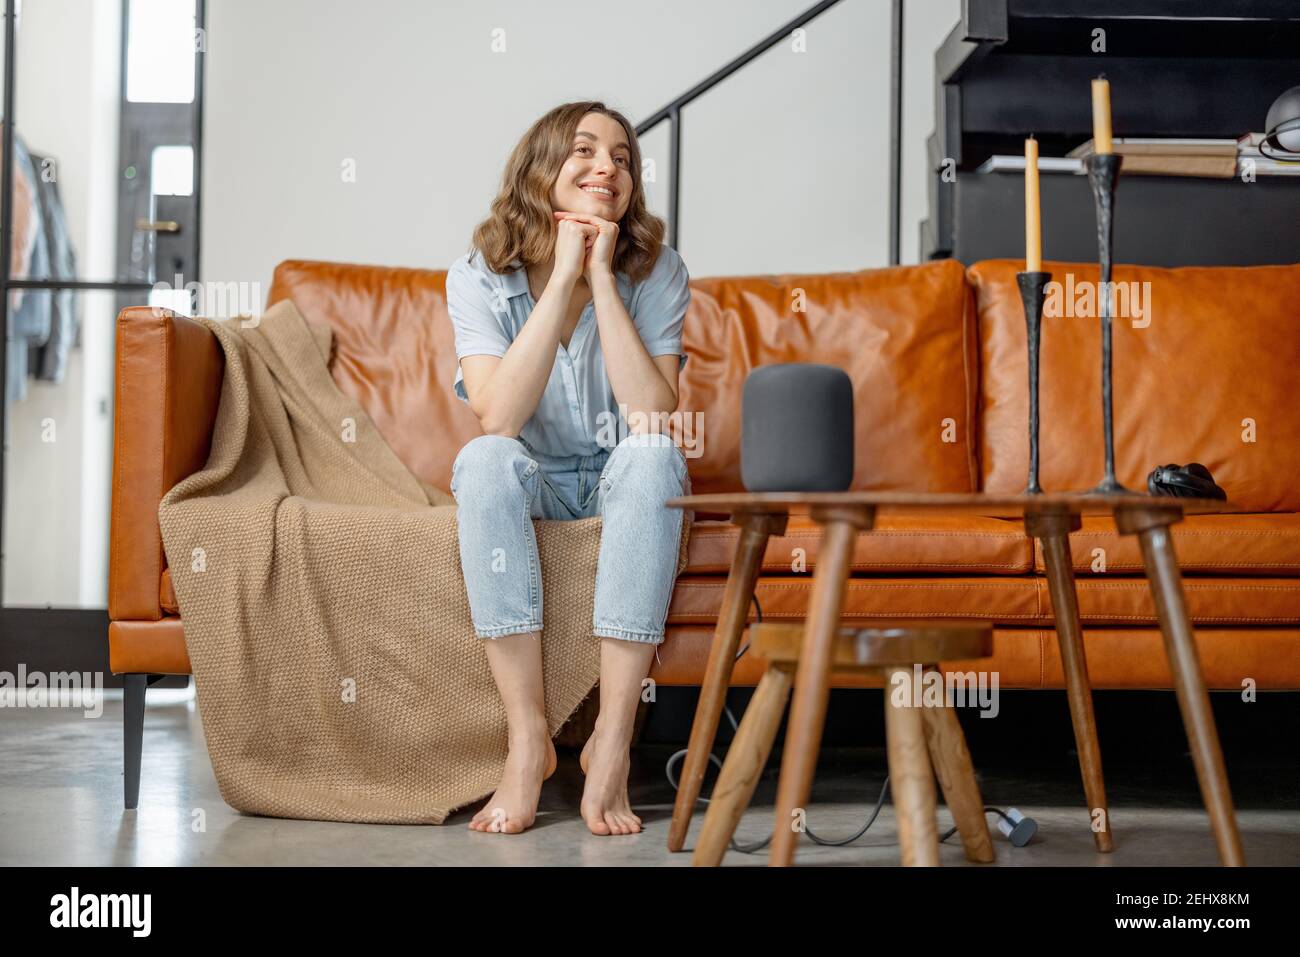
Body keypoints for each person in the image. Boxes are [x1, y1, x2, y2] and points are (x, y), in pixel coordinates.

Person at [446, 101, 692, 836]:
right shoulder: (478, 274)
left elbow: (650, 412)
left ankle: (611, 742)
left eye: (622, 158)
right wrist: (560, 281)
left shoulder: (659, 270)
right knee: (483, 458)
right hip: (538, 480)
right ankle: (529, 743)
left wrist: (604, 280)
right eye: (585, 150)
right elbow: (498, 416)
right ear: (541, 168)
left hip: (622, 477)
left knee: (653, 452)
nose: (607, 167)